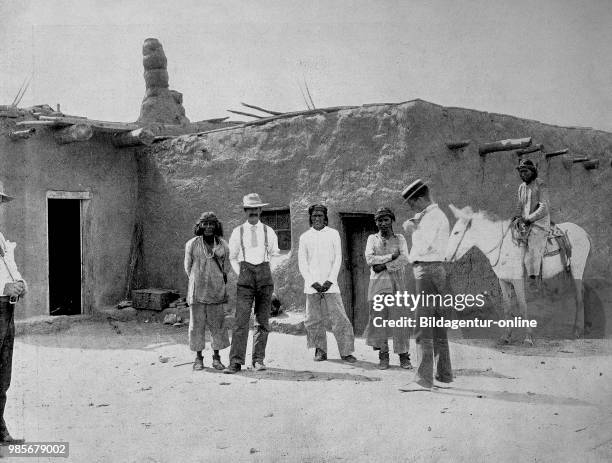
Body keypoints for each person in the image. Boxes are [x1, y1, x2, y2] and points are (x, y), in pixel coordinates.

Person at [399, 179, 453, 392]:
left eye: (413, 204)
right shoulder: (435, 215)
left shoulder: (431, 217)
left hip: (426, 270)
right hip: (436, 270)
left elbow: (423, 245)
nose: (413, 209)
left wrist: (413, 227)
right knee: (438, 326)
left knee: (422, 326)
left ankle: (423, 380)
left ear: (420, 199)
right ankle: (443, 375)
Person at [225, 193, 280, 373]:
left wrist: (268, 271)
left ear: (260, 210)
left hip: (265, 278)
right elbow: (233, 257)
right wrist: (240, 272)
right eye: (250, 209)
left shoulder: (269, 231)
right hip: (245, 278)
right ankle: (235, 362)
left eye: (256, 209)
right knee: (240, 321)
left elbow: (274, 254)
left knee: (262, 321)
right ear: (245, 211)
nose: (253, 212)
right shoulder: (237, 232)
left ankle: (258, 360)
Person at [298, 204, 356, 363]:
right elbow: (302, 263)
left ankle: (346, 352)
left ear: (325, 217)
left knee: (340, 318)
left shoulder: (333, 234)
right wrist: (312, 283)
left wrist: (330, 280)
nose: (317, 218)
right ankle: (320, 350)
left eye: (320, 216)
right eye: (314, 216)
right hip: (312, 286)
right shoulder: (304, 237)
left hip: (331, 285)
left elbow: (338, 257)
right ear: (310, 218)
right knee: (313, 319)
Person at [363, 207, 412, 370]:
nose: (383, 223)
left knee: (400, 320)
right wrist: (391, 257)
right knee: (379, 321)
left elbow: (405, 258)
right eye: (379, 220)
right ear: (376, 222)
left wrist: (382, 265)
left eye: (386, 220)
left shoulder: (400, 239)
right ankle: (383, 356)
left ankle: (404, 356)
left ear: (392, 220)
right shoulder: (372, 238)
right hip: (378, 285)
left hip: (397, 284)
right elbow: (370, 259)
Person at [184, 212, 231, 371]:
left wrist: (215, 279)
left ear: (216, 226)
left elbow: (227, 268)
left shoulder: (223, 245)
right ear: (200, 226)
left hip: (216, 291)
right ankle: (198, 358)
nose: (209, 227)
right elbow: (188, 267)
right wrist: (198, 279)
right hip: (197, 291)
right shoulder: (192, 244)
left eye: (212, 223)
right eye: (205, 223)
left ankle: (216, 358)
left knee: (217, 325)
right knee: (196, 325)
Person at [0, 181, 26, 444]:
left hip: (6, 310)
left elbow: (10, 266)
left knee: (3, 374)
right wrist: (3, 286)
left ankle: (0, 430)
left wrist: (21, 283)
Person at [514, 159, 550, 281]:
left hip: (539, 224)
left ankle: (534, 279)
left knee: (533, 248)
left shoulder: (540, 184)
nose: (523, 174)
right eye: (521, 172)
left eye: (526, 171)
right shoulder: (521, 187)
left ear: (533, 171)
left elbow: (544, 207)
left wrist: (529, 219)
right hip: (525, 223)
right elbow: (520, 205)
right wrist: (517, 218)